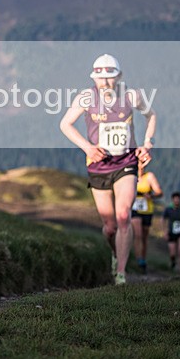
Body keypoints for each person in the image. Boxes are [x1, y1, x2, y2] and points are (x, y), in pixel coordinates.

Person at [60, 54, 156, 285]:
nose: (104, 82)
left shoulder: (132, 96)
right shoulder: (86, 98)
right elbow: (65, 124)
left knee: (124, 215)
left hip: (126, 162)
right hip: (99, 165)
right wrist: (87, 147)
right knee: (110, 227)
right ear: (94, 78)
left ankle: (121, 273)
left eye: (109, 77)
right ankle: (115, 254)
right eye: (99, 78)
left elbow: (151, 115)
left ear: (119, 76)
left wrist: (148, 142)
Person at [131, 163, 163, 274]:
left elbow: (159, 192)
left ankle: (143, 260)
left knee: (144, 237)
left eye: (142, 164)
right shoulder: (130, 175)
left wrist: (151, 196)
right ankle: (138, 259)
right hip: (134, 209)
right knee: (138, 235)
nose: (140, 167)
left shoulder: (149, 177)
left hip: (147, 209)